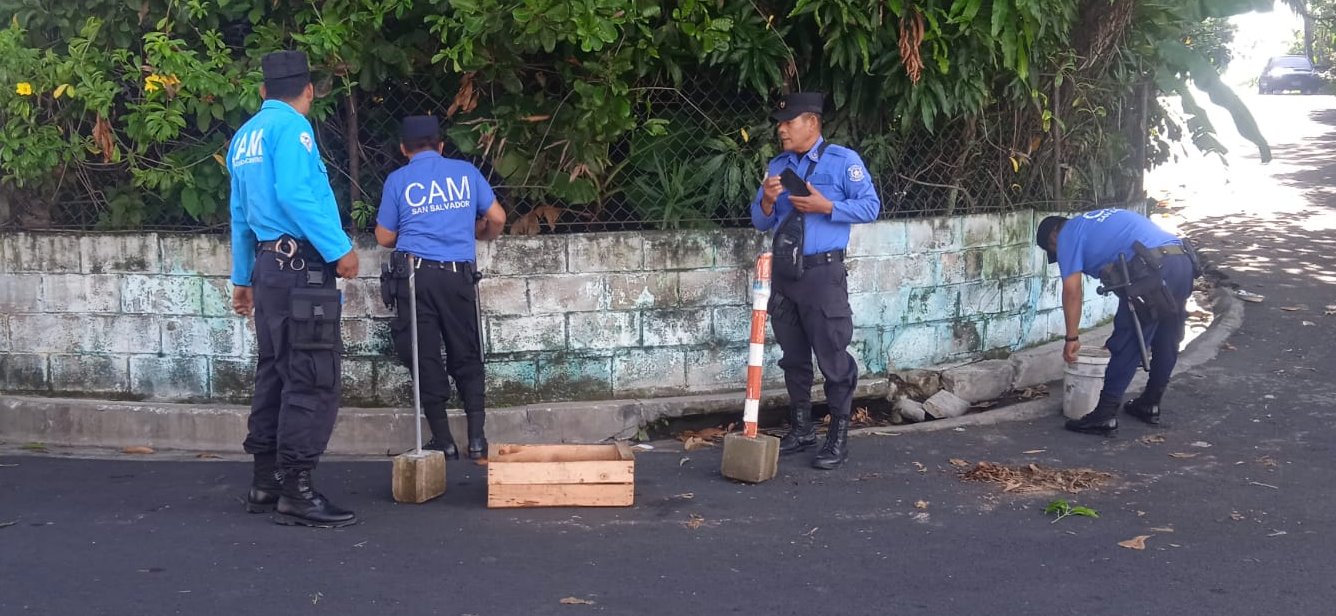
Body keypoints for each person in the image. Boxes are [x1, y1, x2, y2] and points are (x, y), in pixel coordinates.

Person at [228, 50, 360, 528]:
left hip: (268, 266)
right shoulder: (294, 129)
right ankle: (298, 490)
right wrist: (338, 247)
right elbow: (295, 194)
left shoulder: (244, 138)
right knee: (311, 372)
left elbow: (241, 216)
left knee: (276, 371)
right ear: (307, 91)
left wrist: (243, 279)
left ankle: (266, 483)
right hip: (301, 265)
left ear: (263, 91)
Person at [750, 92, 882, 470]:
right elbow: (760, 221)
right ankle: (802, 428)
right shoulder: (778, 165)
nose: (781, 128)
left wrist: (828, 207)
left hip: (823, 275)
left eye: (789, 121)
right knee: (793, 357)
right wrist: (768, 202)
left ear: (811, 122)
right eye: (781, 122)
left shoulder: (843, 161)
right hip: (785, 274)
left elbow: (871, 206)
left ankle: (837, 434)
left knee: (832, 356)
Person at [375, 115, 506, 460]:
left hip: (416, 278)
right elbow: (497, 218)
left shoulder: (398, 180)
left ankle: (444, 441)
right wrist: (478, 233)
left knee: (424, 355)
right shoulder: (466, 173)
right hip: (458, 276)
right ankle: (477, 439)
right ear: (441, 146)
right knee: (467, 351)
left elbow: (384, 237)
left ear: (404, 149)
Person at [1035, 208, 1198, 436]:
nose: (1060, 255)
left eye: (1054, 251)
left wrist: (1072, 337)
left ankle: (1104, 414)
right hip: (1182, 261)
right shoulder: (1093, 221)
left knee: (1128, 340)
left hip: (1152, 269)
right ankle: (1150, 403)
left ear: (1053, 236)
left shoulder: (1067, 235)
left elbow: (1072, 291)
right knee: (1167, 336)